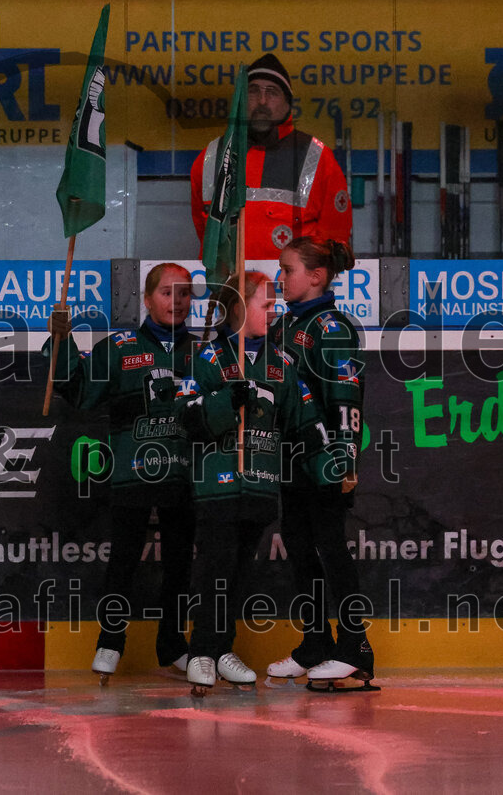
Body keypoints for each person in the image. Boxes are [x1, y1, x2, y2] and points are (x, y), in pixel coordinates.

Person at [179, 271, 329, 693]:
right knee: (215, 571)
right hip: (216, 487)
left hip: (261, 487)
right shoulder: (207, 357)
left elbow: (306, 422)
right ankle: (203, 653)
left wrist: (331, 471)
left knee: (240, 575)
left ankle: (222, 649)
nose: (274, 310)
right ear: (240, 308)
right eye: (265, 304)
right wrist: (228, 399)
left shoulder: (282, 362)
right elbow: (185, 417)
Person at [48, 263, 196, 682]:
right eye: (167, 293)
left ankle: (173, 644)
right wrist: (61, 340)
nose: (177, 301)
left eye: (184, 293)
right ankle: (110, 642)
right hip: (133, 472)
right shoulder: (120, 346)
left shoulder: (204, 350)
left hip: (184, 473)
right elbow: (77, 390)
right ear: (147, 300)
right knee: (124, 561)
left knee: (180, 563)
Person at [266, 236, 375, 688]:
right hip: (290, 461)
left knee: (331, 551)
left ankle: (355, 650)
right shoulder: (282, 326)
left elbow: (346, 396)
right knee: (301, 553)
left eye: (287, 269)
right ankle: (315, 644)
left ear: (316, 276)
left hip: (325, 460)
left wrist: (345, 461)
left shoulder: (335, 327)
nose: (280, 278)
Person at [190, 53, 352, 258]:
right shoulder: (212, 157)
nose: (262, 101)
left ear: (288, 103)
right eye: (253, 91)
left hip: (293, 289)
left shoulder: (318, 158)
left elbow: (334, 243)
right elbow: (205, 230)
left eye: (272, 92)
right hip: (229, 287)